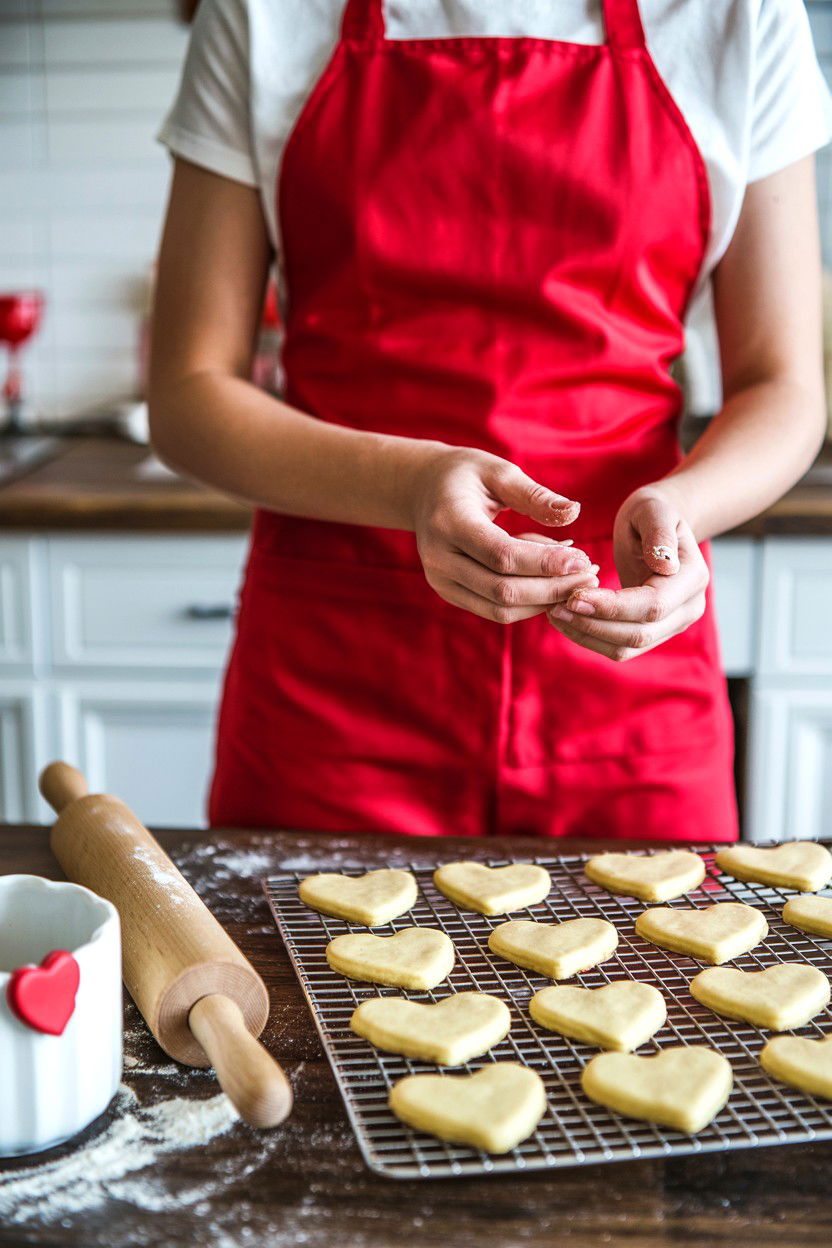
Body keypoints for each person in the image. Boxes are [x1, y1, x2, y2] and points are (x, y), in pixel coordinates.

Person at [149, 0, 831, 841]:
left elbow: (783, 385)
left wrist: (685, 512)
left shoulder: (741, 17)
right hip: (334, 683)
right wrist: (410, 487)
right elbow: (187, 392)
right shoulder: (262, 14)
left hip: (627, 674)